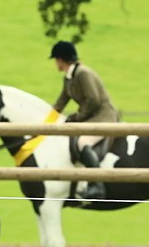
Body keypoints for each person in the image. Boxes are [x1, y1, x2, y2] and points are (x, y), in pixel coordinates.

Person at [49, 41, 118, 201]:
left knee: (82, 143)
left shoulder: (83, 73)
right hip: (91, 116)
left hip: (104, 117)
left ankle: (97, 186)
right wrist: (46, 121)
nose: (55, 63)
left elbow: (93, 100)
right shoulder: (68, 78)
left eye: (56, 60)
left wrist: (77, 117)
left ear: (61, 60)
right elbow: (60, 103)